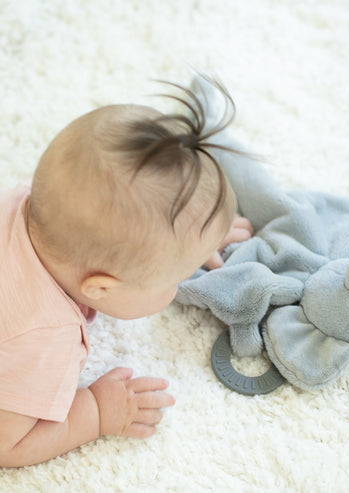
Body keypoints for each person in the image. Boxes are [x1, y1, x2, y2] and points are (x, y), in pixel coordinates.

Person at [0, 77, 253, 467]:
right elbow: (7, 444)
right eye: (175, 277)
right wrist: (94, 412)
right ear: (101, 287)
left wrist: (198, 236)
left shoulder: (31, 204)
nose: (180, 283)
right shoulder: (43, 336)